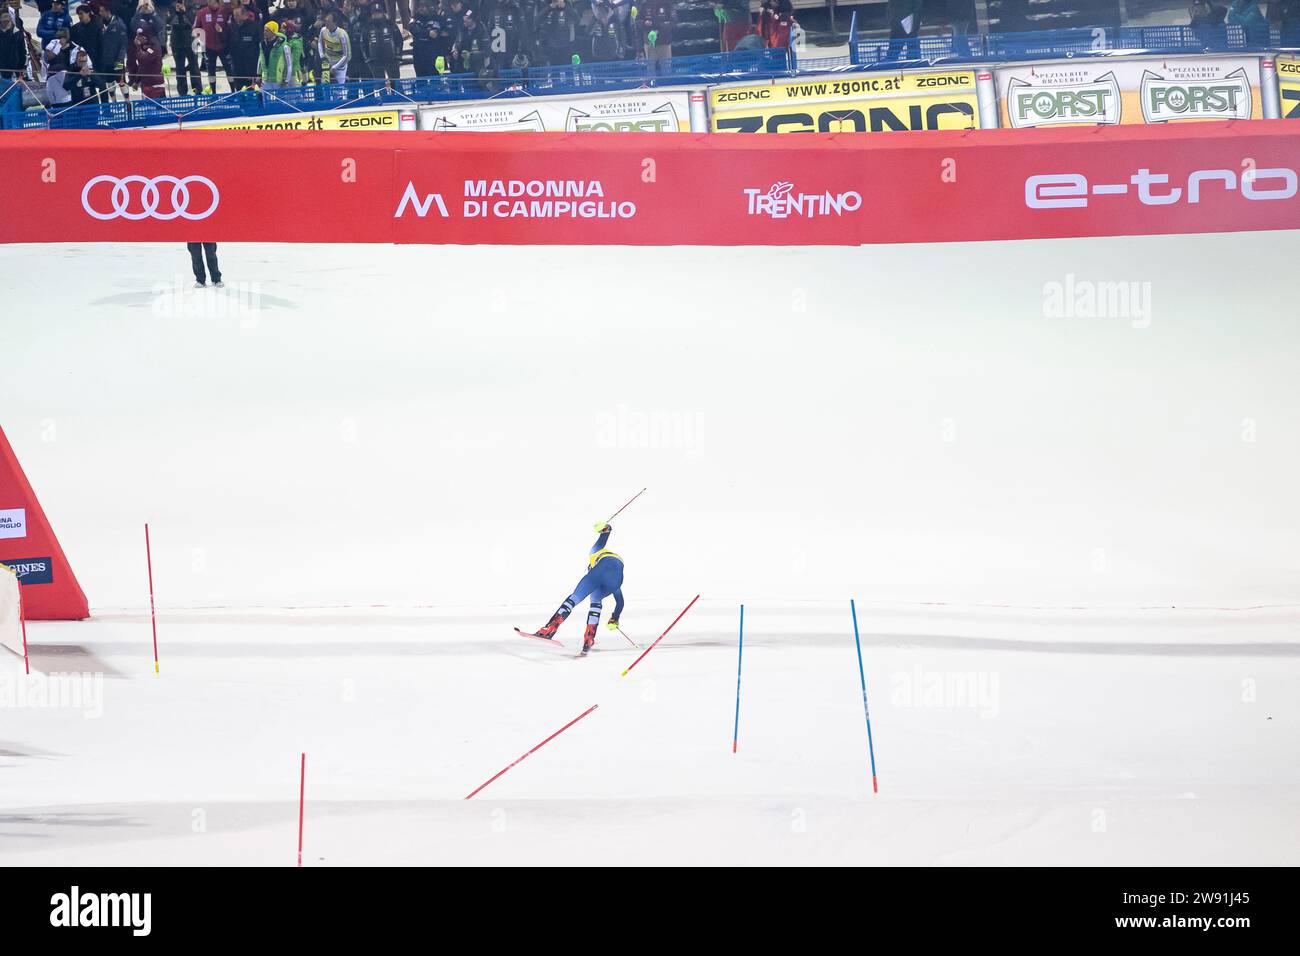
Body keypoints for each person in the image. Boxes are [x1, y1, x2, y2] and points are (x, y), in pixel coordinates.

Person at [528, 522, 626, 654]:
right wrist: (615, 618)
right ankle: (589, 639)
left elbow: (603, 537)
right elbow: (620, 602)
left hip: (602, 569)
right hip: (617, 579)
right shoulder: (611, 569)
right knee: (596, 599)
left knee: (574, 598)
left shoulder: (594, 554)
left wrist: (606, 530)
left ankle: (549, 629)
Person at [195, 0, 233, 91]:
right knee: (211, 71)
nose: (211, 3)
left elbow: (231, 27)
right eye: (209, 1)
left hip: (224, 46)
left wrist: (223, 33)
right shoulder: (202, 12)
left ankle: (233, 90)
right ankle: (213, 92)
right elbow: (196, 28)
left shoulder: (225, 11)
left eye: (213, 1)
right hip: (209, 47)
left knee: (229, 69)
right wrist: (201, 41)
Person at [98, 3, 129, 99]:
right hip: (106, 62)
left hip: (117, 61)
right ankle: (114, 104)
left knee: (121, 82)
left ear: (108, 11)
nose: (100, 13)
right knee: (109, 84)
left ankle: (128, 105)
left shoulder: (119, 24)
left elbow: (123, 44)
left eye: (102, 11)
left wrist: (120, 59)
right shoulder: (100, 24)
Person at [362, 3, 399, 80]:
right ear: (371, 14)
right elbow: (363, 43)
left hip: (391, 59)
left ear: (382, 13)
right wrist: (367, 58)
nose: (377, 15)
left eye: (379, 12)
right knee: (379, 84)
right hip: (375, 61)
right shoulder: (367, 27)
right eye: (375, 13)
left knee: (395, 83)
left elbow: (398, 40)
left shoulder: (390, 24)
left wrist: (398, 55)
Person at [229, 2, 261, 88]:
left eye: (237, 15)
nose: (235, 18)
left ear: (245, 15)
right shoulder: (232, 27)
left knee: (252, 92)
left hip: (251, 67)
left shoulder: (255, 27)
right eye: (234, 15)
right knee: (239, 91)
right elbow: (229, 44)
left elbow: (258, 47)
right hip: (237, 66)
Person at [128, 25, 165, 96]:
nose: (136, 38)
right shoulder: (143, 46)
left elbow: (143, 59)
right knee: (147, 106)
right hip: (145, 84)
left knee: (158, 106)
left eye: (138, 36)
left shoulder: (154, 47)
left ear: (144, 37)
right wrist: (136, 81)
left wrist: (138, 47)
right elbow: (141, 66)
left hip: (155, 84)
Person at [257, 18, 291, 87]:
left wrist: (286, 80)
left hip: (278, 80)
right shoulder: (262, 44)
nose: (264, 32)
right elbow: (260, 59)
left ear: (273, 32)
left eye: (267, 31)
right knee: (265, 97)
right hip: (265, 79)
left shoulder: (284, 46)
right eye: (264, 30)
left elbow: (289, 64)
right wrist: (258, 74)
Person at [317, 9, 349, 80]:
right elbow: (319, 43)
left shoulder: (342, 34)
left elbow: (346, 55)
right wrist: (322, 56)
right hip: (327, 64)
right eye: (325, 21)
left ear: (334, 22)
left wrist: (334, 67)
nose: (326, 23)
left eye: (328, 21)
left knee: (339, 89)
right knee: (326, 86)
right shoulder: (323, 30)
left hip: (340, 66)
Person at [68, 4, 101, 73]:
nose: (79, 16)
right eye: (78, 14)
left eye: (81, 14)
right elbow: (72, 42)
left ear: (88, 13)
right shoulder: (76, 28)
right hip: (83, 59)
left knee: (118, 70)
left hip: (98, 58)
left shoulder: (99, 25)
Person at [638, 0, 673, 65]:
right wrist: (644, 23)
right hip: (649, 43)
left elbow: (673, 21)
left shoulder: (667, 4)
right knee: (651, 69)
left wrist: (658, 29)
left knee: (666, 68)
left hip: (664, 43)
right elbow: (638, 20)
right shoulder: (644, 4)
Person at [0, 10, 25, 81]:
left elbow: (22, 49)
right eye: (3, 21)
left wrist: (22, 65)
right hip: (2, 65)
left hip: (15, 64)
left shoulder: (16, 32)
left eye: (7, 21)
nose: (5, 23)